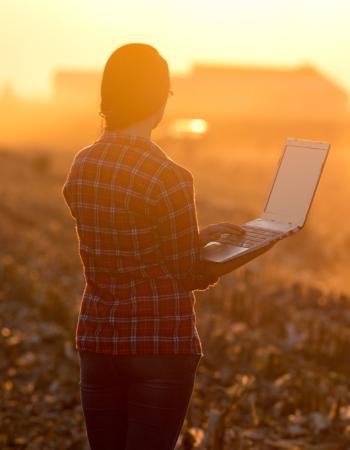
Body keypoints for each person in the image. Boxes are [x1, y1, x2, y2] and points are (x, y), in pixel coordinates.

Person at [62, 43, 271, 450]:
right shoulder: (169, 176)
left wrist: (199, 234)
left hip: (99, 342)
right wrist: (255, 246)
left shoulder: (82, 165)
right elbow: (186, 272)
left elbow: (126, 239)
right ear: (159, 99)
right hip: (160, 345)